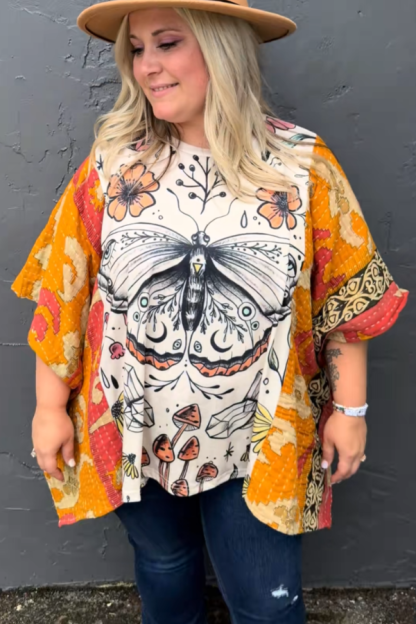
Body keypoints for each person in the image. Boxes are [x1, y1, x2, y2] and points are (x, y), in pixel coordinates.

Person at [12, 1, 408, 622]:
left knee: (265, 604)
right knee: (164, 568)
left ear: (222, 48)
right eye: (137, 49)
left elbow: (346, 298)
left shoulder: (302, 166)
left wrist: (350, 411)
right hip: (135, 422)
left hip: (260, 432)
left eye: (167, 43)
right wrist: (47, 408)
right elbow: (64, 292)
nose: (146, 66)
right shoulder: (113, 165)